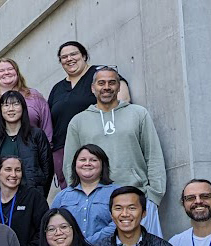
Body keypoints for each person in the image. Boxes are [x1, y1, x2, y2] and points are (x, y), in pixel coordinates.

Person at [63, 66, 166, 206]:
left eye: (111, 83)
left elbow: (153, 155)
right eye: (101, 83)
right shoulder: (78, 121)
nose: (106, 87)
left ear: (118, 87)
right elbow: (70, 163)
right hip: (94, 200)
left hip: (136, 196)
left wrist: (154, 195)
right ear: (93, 88)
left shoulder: (138, 114)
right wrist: (78, 196)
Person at [0, 91, 53, 195]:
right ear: (0, 109)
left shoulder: (36, 135)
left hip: (32, 195)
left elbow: (47, 169)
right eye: (6, 105)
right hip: (2, 196)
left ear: (23, 108)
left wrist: (39, 194)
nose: (11, 109)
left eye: (16, 104)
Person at [0, 58, 52, 146]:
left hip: (31, 150)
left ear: (17, 74)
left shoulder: (34, 96)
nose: (6, 72)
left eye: (10, 69)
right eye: (1, 70)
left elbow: (47, 126)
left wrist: (47, 149)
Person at [48, 41, 98, 187]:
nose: (69, 58)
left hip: (92, 144)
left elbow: (120, 96)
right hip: (62, 149)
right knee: (69, 194)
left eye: (73, 54)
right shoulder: (57, 88)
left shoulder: (98, 75)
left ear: (83, 55)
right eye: (64, 57)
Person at [51, 144, 116, 244]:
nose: (87, 163)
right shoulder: (62, 196)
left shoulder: (116, 193)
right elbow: (51, 224)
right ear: (75, 165)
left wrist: (88, 243)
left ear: (103, 164)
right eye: (82, 160)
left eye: (93, 160)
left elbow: (119, 222)